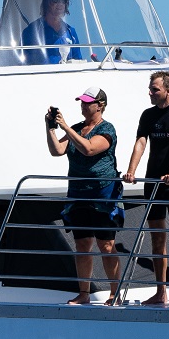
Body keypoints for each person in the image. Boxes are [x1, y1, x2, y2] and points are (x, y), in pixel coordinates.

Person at [122, 71, 169, 308]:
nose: (150, 93)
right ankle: (160, 291)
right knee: (157, 240)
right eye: (150, 89)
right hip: (153, 183)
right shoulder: (148, 114)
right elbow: (141, 143)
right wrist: (131, 171)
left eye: (155, 89)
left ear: (168, 90)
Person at [44, 88, 123, 305]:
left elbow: (89, 148)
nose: (83, 106)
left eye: (88, 102)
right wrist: (50, 128)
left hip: (103, 194)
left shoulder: (107, 129)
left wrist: (65, 126)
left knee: (106, 245)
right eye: (82, 102)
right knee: (82, 244)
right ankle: (84, 293)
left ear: (100, 105)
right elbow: (57, 150)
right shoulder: (77, 128)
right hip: (78, 193)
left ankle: (114, 293)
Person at [21, 0, 85, 64]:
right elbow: (23, 63)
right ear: (47, 2)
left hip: (66, 76)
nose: (60, 4)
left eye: (63, 0)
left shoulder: (71, 32)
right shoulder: (32, 31)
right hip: (42, 76)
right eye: (56, 0)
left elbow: (78, 62)